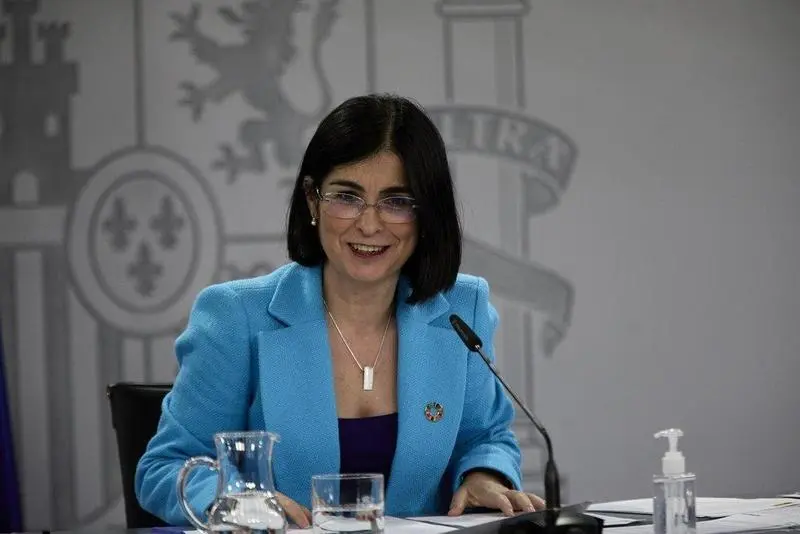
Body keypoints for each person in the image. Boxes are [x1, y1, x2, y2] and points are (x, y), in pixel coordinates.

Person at [135, 93, 545, 526]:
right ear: (312, 200)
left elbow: (485, 437)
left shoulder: (461, 311)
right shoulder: (237, 316)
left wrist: (484, 475)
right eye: (347, 197)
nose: (369, 224)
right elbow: (165, 469)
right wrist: (240, 501)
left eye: (397, 201)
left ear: (426, 213)